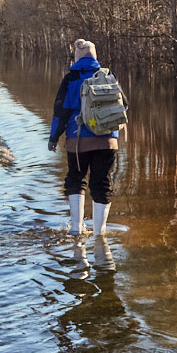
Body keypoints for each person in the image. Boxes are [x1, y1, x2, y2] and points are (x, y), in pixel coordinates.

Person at [48, 39, 118, 235]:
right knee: (101, 182)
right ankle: (99, 234)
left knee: (76, 180)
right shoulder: (108, 75)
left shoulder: (71, 78)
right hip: (108, 140)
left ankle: (77, 230)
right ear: (95, 56)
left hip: (78, 141)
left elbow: (60, 111)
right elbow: (123, 107)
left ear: (77, 57)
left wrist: (54, 138)